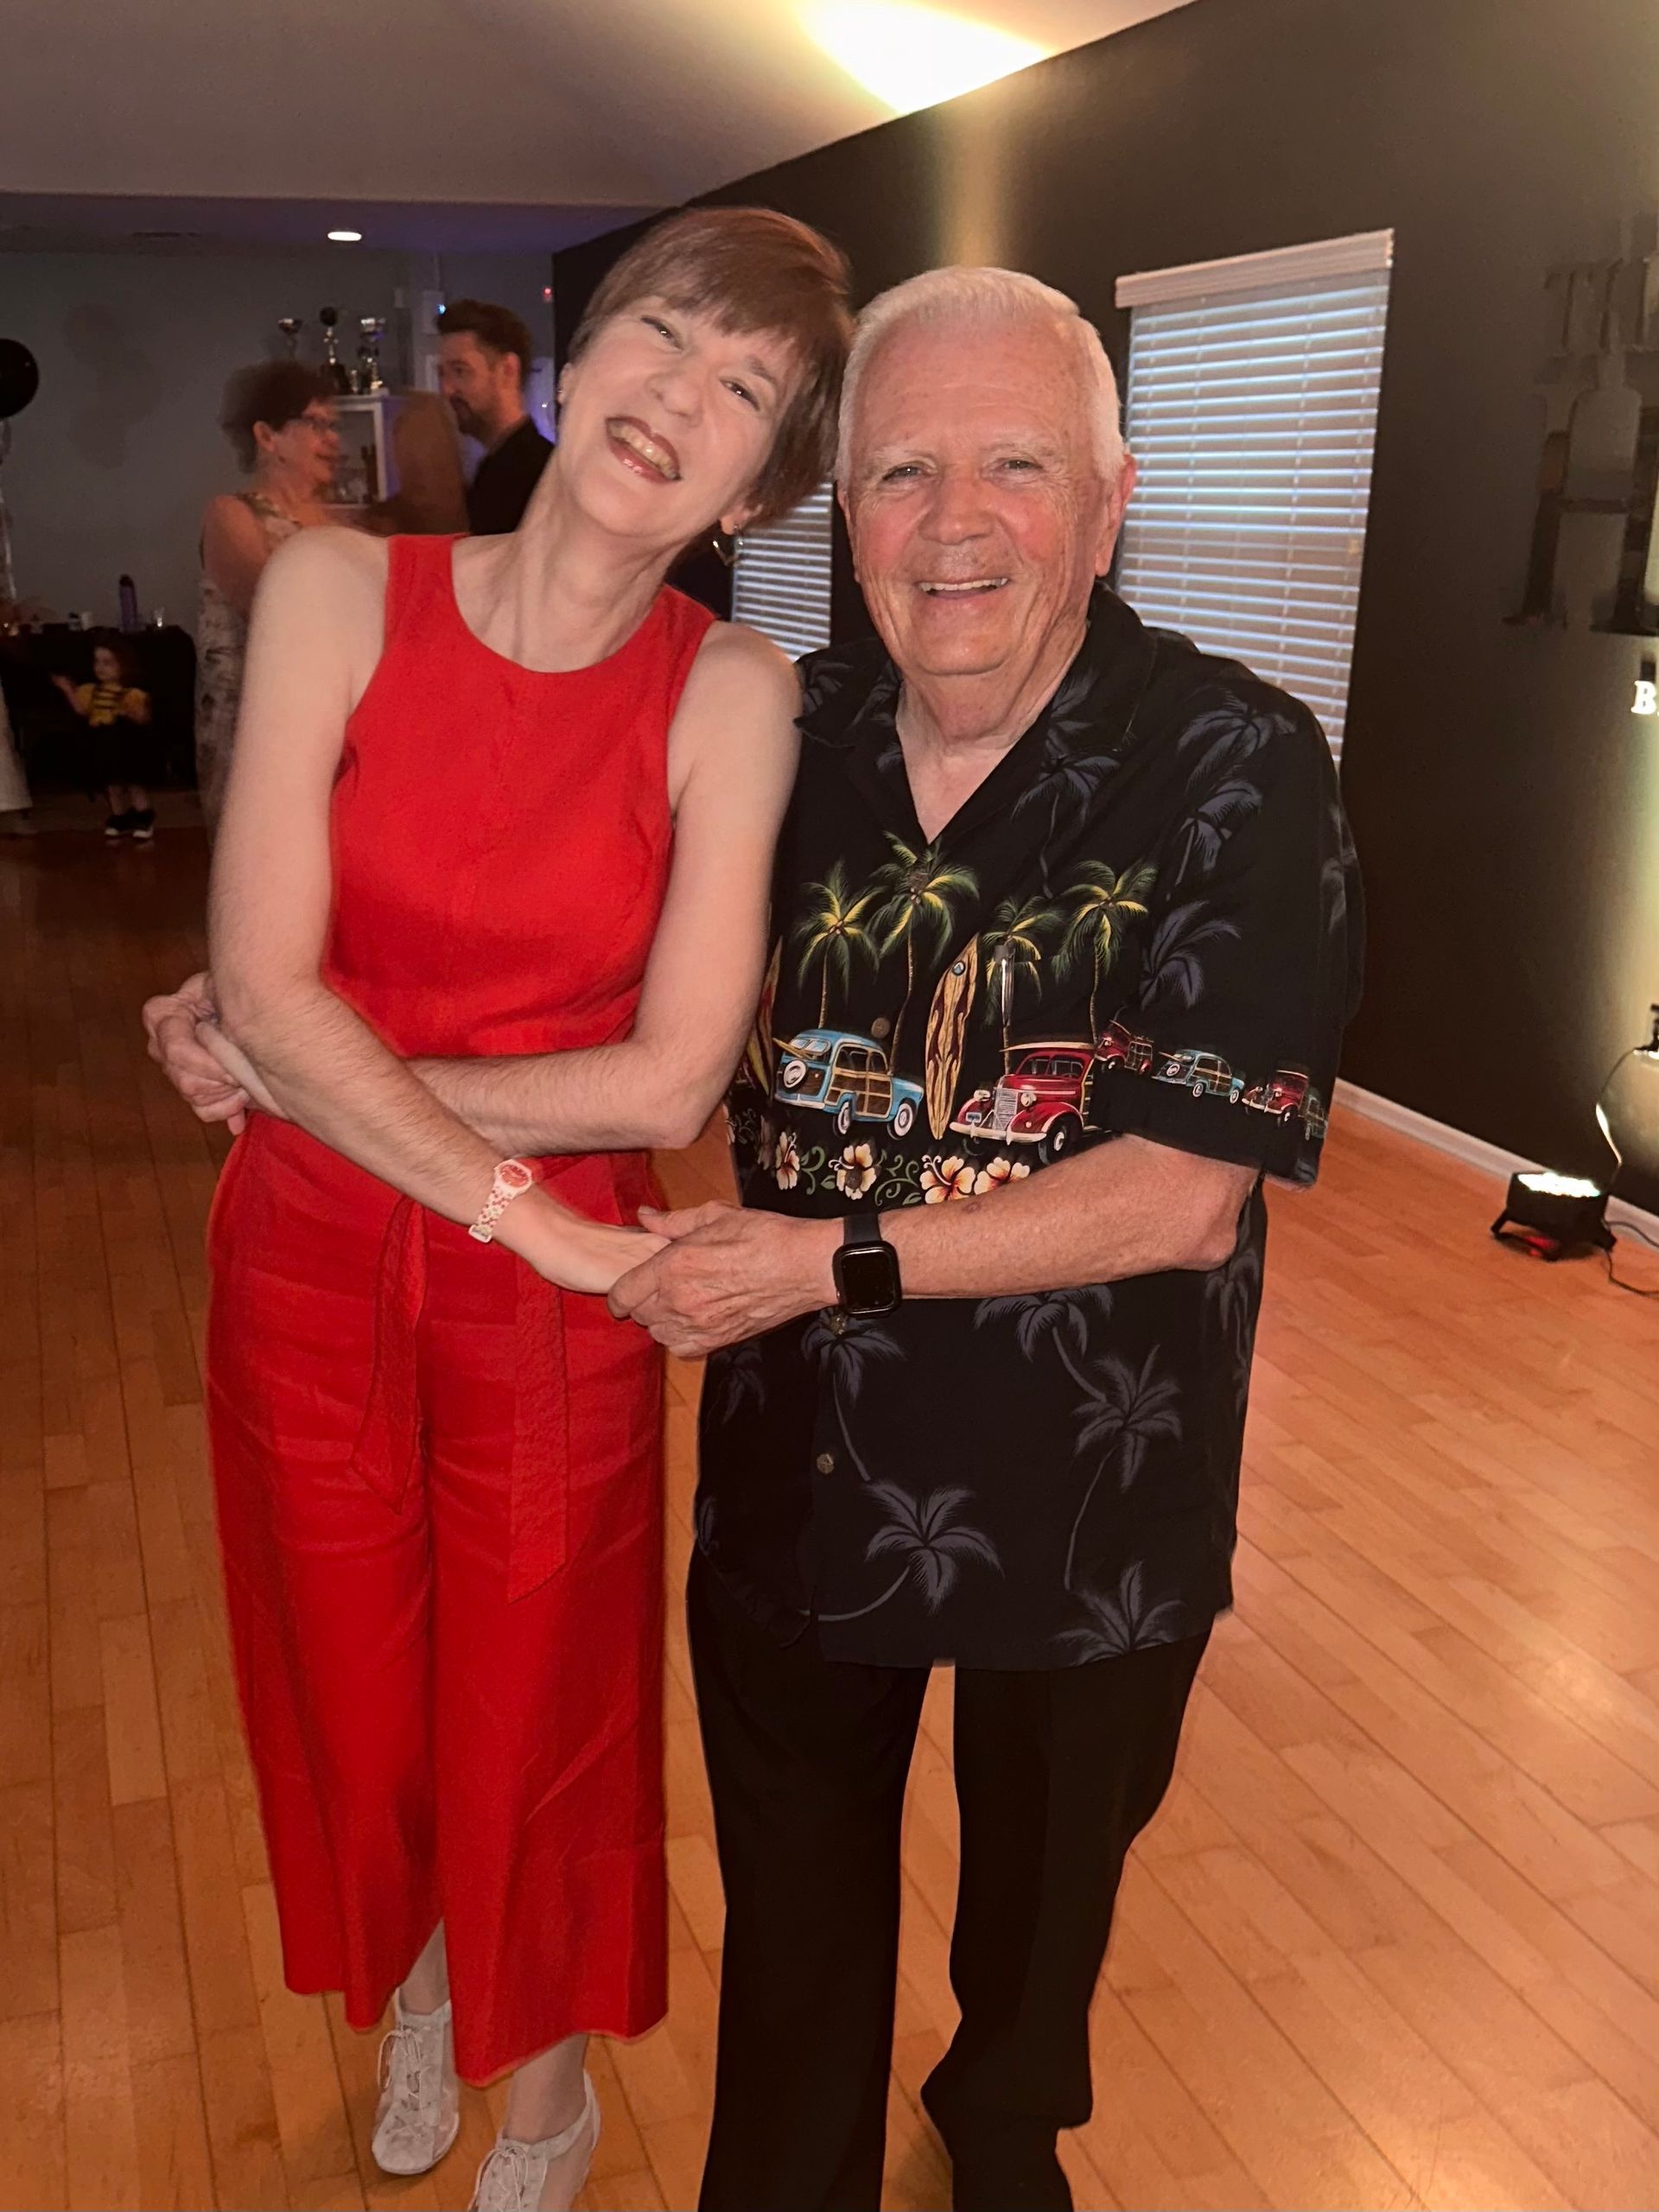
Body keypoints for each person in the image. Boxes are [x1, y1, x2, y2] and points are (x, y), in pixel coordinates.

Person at [606, 267, 1364, 2212]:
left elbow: (1187, 1183)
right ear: (836, 506)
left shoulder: (1237, 758)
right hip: (802, 1471)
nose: (955, 524)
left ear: (1109, 501)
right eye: (901, 471)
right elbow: (588, 989)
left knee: (1043, 1911)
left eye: (1016, 464)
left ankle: (1005, 2115)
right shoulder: (771, 734)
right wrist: (302, 1016)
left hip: (1092, 1499)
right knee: (790, 1940)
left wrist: (820, 1256)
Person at [141, 207, 851, 2212]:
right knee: (357, 1687)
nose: (683, 401)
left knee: (533, 1703)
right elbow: (262, 977)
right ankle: (432, 1988)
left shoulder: (732, 690)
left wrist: (315, 1069)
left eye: (746, 396)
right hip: (340, 1253)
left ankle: (542, 2084)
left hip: (549, 1301)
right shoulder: (339, 591)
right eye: (667, 338)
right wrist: (513, 1201)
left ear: (757, 480)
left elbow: (667, 1079)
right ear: (578, 347)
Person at [194, 363, 341, 838]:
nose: (332, 440)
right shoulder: (231, 515)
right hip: (256, 738)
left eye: (333, 426)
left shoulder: (335, 524)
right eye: (316, 425)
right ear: (267, 436)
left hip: (326, 732)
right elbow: (271, 612)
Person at [437, 299, 553, 532]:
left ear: (507, 370)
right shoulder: (493, 469)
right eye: (443, 374)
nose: (447, 389)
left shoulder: (537, 477)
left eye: (460, 371)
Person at [54, 633, 155, 839]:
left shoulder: (131, 693)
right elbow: (82, 710)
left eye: (107, 663)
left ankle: (144, 817)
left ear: (123, 665)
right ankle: (119, 816)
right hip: (103, 741)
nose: (100, 668)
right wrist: (68, 690)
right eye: (97, 662)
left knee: (133, 781)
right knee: (111, 783)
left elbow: (143, 718)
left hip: (125, 742)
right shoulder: (91, 691)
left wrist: (132, 712)